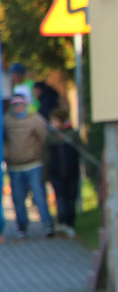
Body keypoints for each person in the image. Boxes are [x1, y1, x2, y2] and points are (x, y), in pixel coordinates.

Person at [3, 93, 53, 238]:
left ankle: (47, 224)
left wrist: (37, 154)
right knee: (18, 197)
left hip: (33, 164)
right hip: (14, 166)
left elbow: (44, 138)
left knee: (39, 195)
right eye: (16, 105)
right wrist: (7, 154)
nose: (19, 108)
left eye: (21, 105)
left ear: (25, 105)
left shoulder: (35, 119)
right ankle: (22, 226)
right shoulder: (6, 121)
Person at [46, 108, 81, 237]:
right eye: (52, 121)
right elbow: (46, 157)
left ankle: (70, 224)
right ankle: (62, 224)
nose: (54, 124)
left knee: (71, 200)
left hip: (72, 173)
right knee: (60, 199)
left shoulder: (72, 134)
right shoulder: (50, 137)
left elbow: (81, 151)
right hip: (56, 174)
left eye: (56, 121)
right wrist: (46, 175)